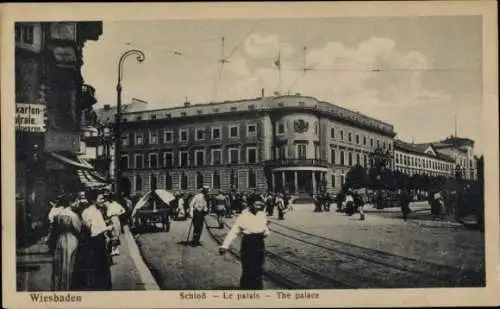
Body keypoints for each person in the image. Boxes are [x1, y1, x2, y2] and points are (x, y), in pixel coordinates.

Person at [219, 199, 270, 290]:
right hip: (248, 243)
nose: (258, 206)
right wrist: (224, 246)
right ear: (250, 205)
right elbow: (234, 231)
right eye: (256, 204)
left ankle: (257, 289)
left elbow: (265, 229)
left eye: (260, 204)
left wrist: (265, 231)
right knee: (248, 267)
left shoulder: (262, 214)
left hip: (259, 242)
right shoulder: (244, 216)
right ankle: (246, 289)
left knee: (258, 267)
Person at [72, 191, 113, 291]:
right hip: (95, 242)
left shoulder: (92, 211)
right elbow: (93, 231)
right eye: (101, 199)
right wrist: (108, 228)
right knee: (98, 266)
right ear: (94, 200)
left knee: (95, 266)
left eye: (103, 199)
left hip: (95, 241)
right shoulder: (91, 212)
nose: (103, 201)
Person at [50, 193, 82, 291]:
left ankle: (59, 288)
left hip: (60, 240)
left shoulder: (58, 215)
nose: (78, 202)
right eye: (76, 200)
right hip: (71, 240)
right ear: (70, 202)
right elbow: (78, 229)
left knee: (60, 266)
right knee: (70, 265)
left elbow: (55, 230)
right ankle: (68, 288)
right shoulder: (73, 216)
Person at [102, 190, 126, 257]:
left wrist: (116, 214)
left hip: (113, 219)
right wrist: (119, 214)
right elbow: (123, 210)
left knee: (113, 234)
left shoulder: (112, 204)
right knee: (114, 234)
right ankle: (114, 249)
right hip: (114, 219)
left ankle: (114, 250)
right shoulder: (115, 204)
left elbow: (122, 210)